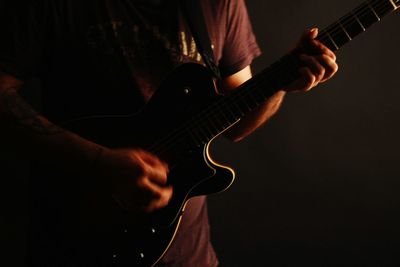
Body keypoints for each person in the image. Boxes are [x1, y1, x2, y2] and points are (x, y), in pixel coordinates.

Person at [0, 0, 338, 266]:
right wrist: (100, 162)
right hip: (75, 238)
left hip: (185, 253)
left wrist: (282, 85)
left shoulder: (217, 3)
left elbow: (236, 122)